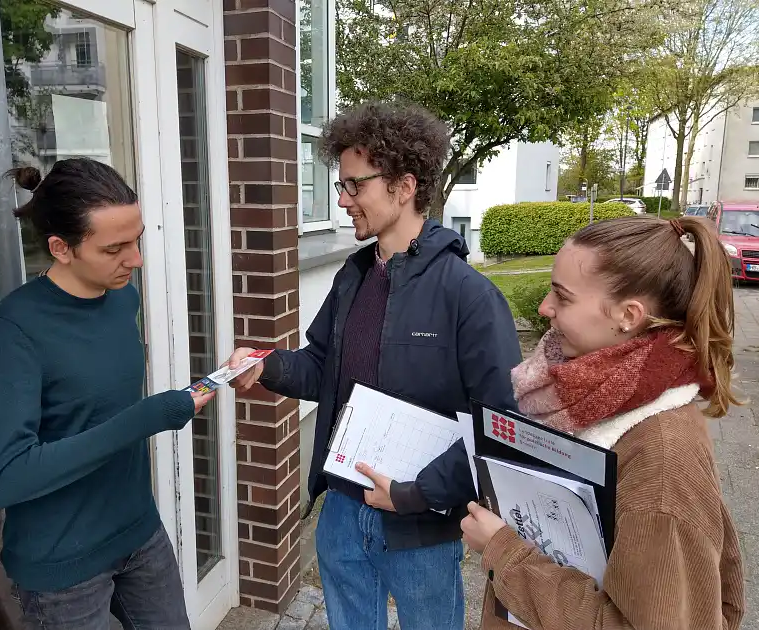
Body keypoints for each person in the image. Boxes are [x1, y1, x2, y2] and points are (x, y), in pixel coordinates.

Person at [227, 101, 522, 630]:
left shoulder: (469, 296)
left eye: (354, 185)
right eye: (340, 186)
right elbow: (322, 367)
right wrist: (266, 366)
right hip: (341, 508)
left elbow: (499, 427)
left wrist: (413, 495)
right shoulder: (353, 277)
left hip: (421, 527)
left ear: (403, 186)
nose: (342, 200)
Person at [461, 215, 745, 629]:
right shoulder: (581, 397)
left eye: (563, 296)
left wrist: (503, 553)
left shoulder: (663, 461)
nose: (544, 308)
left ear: (629, 315)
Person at [0, 158, 214, 630]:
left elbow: (101, 404)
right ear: (61, 248)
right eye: (115, 248)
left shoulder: (122, 296)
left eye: (137, 239)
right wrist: (149, 417)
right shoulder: (13, 330)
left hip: (138, 531)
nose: (136, 259)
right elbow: (7, 476)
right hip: (62, 566)